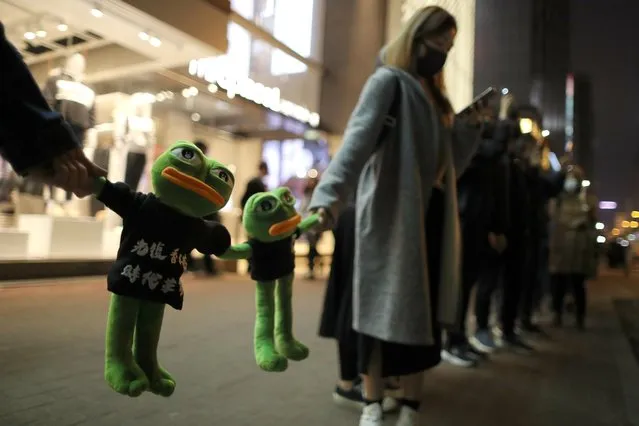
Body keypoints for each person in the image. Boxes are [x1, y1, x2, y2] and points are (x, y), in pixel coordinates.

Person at [309, 6, 482, 426]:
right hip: (390, 215)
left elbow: (449, 168)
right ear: (416, 38)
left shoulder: (436, 97)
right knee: (379, 311)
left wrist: (468, 129)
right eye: (438, 43)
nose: (442, 52)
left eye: (449, 45)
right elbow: (355, 145)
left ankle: (410, 404)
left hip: (429, 219)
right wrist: (325, 201)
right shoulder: (389, 81)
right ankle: (371, 402)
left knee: (418, 318)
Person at [0, 21, 105, 196]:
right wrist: (47, 139)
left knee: (70, 178)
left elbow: (91, 121)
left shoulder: (89, 90)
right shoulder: (56, 80)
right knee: (63, 177)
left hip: (68, 139)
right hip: (55, 133)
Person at [318, 200, 400, 413]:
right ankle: (349, 382)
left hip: (362, 204)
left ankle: (362, 377)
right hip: (363, 204)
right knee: (355, 292)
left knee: (355, 288)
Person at [443, 106, 508, 367]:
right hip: (465, 223)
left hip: (476, 224)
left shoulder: (481, 151)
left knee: (468, 285)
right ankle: (452, 340)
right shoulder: (468, 148)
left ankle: (460, 338)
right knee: (459, 287)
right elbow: (489, 153)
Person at [549, 166, 598, 329]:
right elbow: (554, 218)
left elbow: (591, 223)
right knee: (559, 284)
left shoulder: (587, 200)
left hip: (578, 250)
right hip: (561, 249)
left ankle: (580, 317)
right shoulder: (559, 199)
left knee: (578, 285)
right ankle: (557, 314)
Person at [183, 140, 221, 275]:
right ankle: (195, 265)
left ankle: (200, 265)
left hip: (199, 208)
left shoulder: (198, 167)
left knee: (199, 237)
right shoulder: (199, 168)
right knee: (192, 238)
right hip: (197, 208)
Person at [300, 176, 322, 279]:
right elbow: (303, 208)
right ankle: (312, 267)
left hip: (316, 224)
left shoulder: (318, 194)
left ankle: (313, 268)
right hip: (307, 224)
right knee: (312, 248)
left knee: (313, 248)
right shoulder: (306, 194)